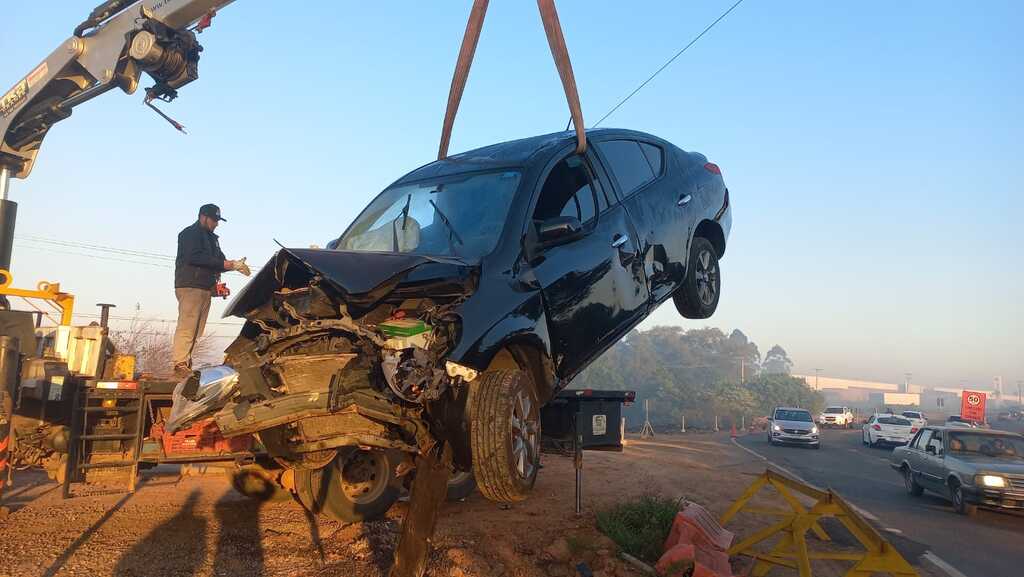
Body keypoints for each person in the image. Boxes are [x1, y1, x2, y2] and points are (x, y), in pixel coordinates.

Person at [172, 203, 250, 377]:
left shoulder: (212, 239)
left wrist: (233, 266)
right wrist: (226, 264)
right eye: (214, 219)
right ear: (203, 217)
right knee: (188, 325)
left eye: (217, 220)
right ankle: (179, 363)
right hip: (190, 285)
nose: (216, 223)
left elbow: (218, 261)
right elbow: (195, 257)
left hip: (205, 287)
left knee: (197, 329)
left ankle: (186, 362)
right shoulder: (189, 234)